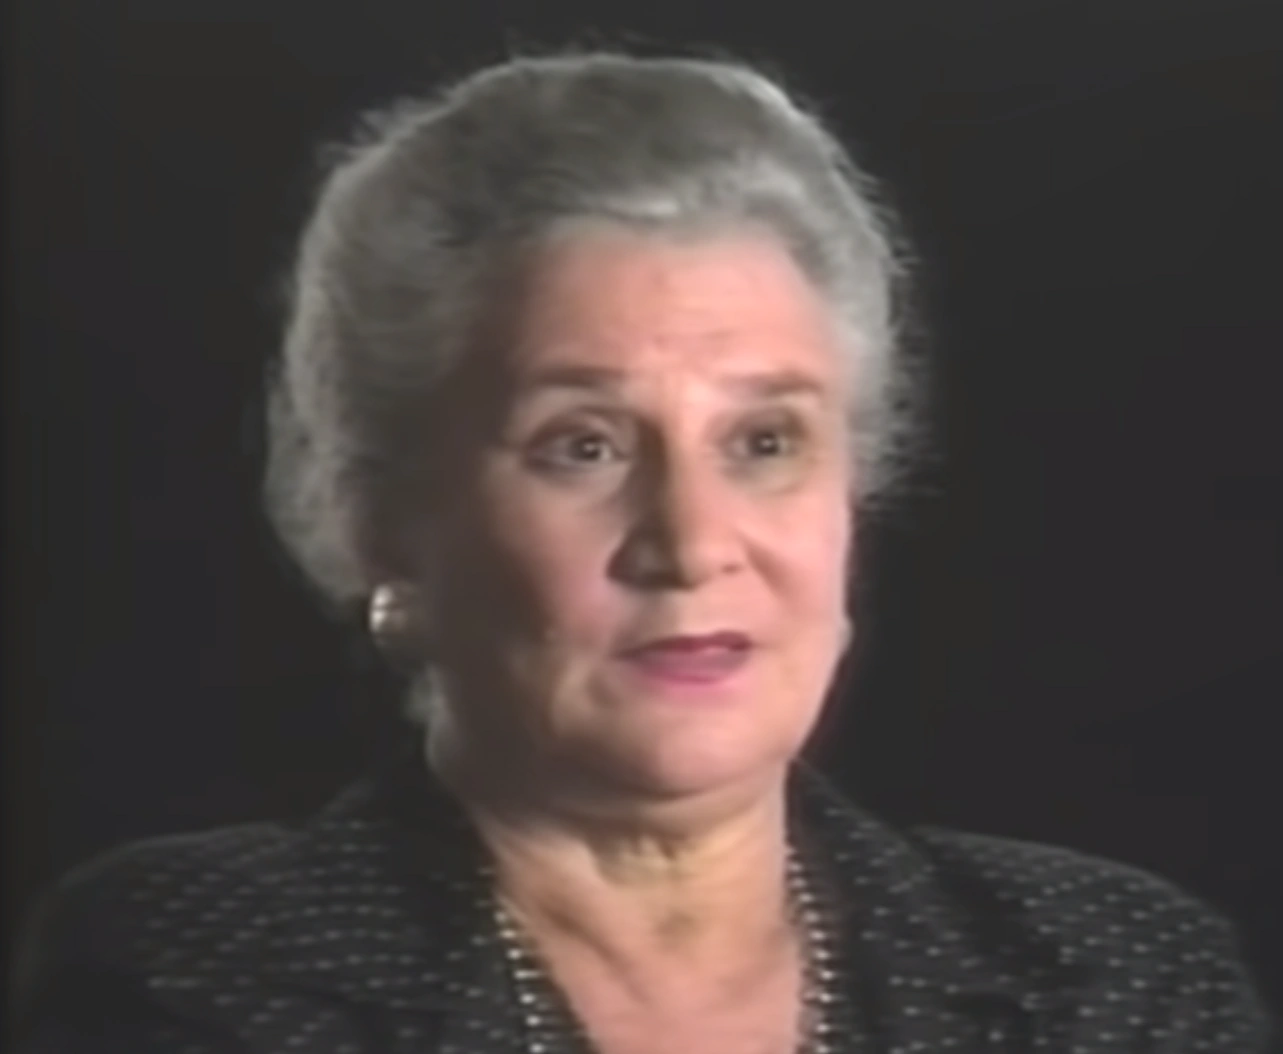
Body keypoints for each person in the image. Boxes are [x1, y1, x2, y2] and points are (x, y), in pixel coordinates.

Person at [10, 50, 1273, 1053]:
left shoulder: (1113, 973)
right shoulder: (206, 966)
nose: (691, 543)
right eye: (583, 446)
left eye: (764, 441)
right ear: (382, 514)